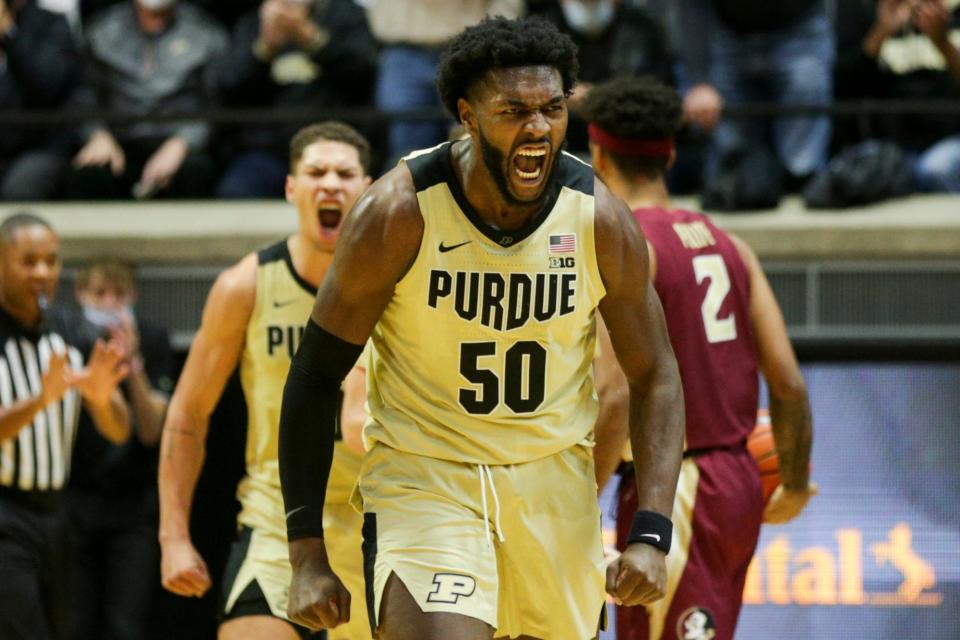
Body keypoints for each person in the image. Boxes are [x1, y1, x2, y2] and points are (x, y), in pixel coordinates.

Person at [278, 16, 685, 640]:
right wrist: (306, 553)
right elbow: (313, 376)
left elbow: (654, 373)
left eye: (553, 108)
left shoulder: (598, 217)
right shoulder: (398, 213)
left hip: (553, 488)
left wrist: (653, 531)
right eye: (514, 110)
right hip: (427, 478)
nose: (538, 128)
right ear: (468, 115)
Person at [582, 77, 816, 640]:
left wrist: (579, 502)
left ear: (595, 155)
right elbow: (787, 385)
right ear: (670, 153)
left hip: (675, 488)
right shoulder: (730, 244)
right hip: (737, 482)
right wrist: (796, 480)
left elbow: (615, 393)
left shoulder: (627, 244)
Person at [158, 122, 374, 640]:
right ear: (290, 188)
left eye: (345, 173)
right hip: (278, 521)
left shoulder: (400, 284)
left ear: (367, 189)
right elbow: (188, 415)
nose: (330, 184)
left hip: (379, 521)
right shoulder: (245, 285)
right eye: (315, 172)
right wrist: (173, 537)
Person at [0, 212, 130, 640]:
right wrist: (40, 400)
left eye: (51, 261)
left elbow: (118, 430)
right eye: (29, 261)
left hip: (58, 512)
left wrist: (100, 399)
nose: (42, 272)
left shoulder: (72, 331)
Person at [65, 257, 176, 640]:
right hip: (75, 500)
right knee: (74, 623)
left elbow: (152, 432)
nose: (110, 303)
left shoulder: (154, 338)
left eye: (118, 294)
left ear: (133, 296)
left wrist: (134, 364)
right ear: (80, 295)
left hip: (135, 505)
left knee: (125, 626)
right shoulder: (66, 342)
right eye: (100, 293)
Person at [216, 0, 378, 198]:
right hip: (269, 152)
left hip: (336, 148)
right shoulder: (253, 22)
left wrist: (312, 39)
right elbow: (228, 87)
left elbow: (365, 74)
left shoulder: (348, 16)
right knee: (238, 189)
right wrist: (264, 49)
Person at [66, 0, 227, 200]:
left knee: (196, 171)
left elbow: (215, 103)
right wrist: (97, 134)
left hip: (180, 143)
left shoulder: (206, 33)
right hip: (118, 142)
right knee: (89, 173)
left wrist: (182, 143)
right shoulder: (101, 31)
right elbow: (82, 95)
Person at [0, 0, 79, 200]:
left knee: (20, 188)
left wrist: (9, 34)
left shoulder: (49, 24)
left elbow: (46, 85)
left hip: (38, 148)